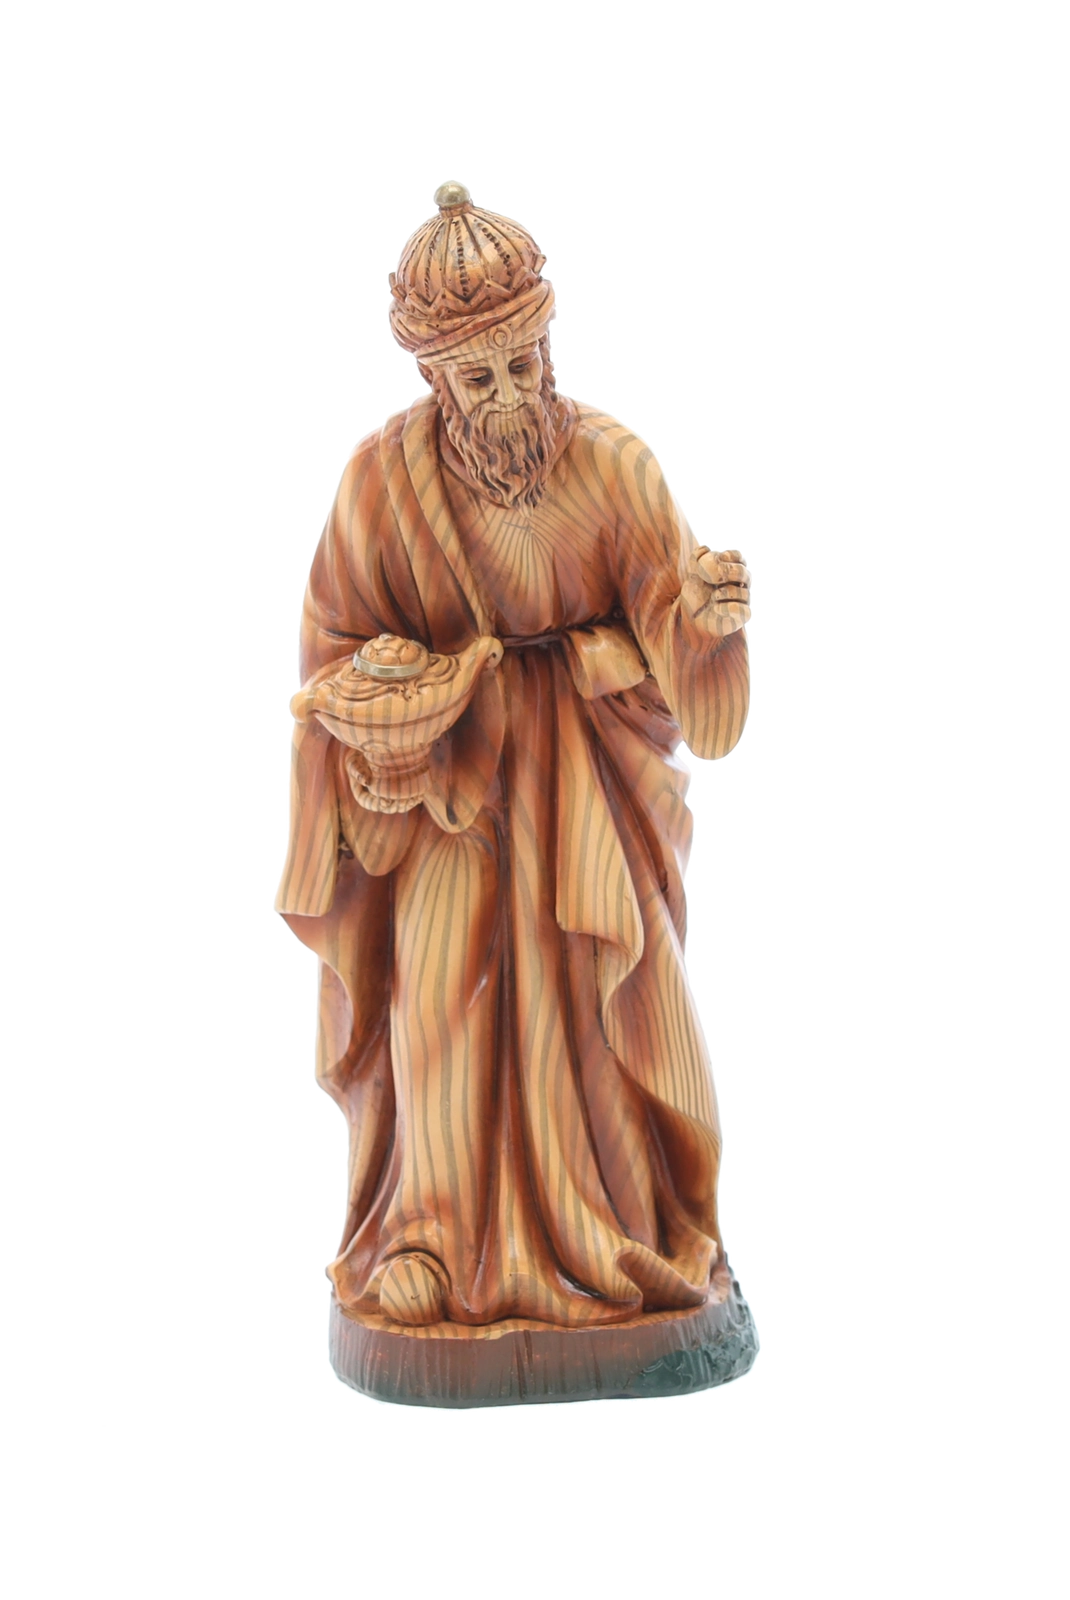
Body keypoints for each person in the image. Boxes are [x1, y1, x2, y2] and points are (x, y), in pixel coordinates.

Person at [278, 185, 751, 1344]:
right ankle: (429, 1240)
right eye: (477, 376)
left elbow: (666, 628)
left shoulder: (613, 464)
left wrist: (702, 624)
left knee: (602, 1006)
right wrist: (382, 698)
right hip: (449, 780)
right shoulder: (381, 481)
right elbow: (331, 648)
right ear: (433, 376)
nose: (508, 394)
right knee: (438, 995)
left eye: (524, 363)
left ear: (547, 341)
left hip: (584, 778)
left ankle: (622, 1227)